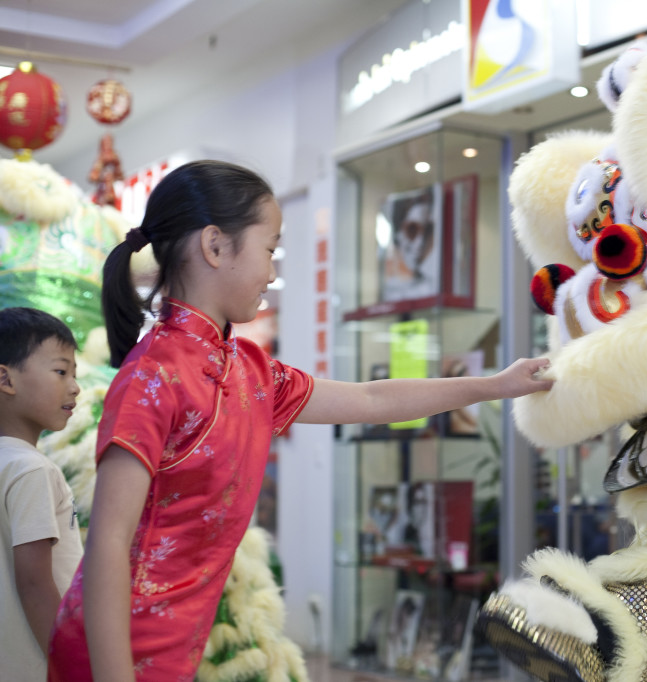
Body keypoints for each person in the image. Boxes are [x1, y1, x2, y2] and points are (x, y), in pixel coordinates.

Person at [47, 159, 553, 682]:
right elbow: (108, 541)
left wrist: (497, 385)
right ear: (215, 246)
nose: (273, 271)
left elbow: (373, 400)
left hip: (174, 654)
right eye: (269, 250)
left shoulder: (248, 369)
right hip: (113, 657)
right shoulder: (152, 376)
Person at [0, 307, 84, 681]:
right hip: (38, 665)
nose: (75, 386)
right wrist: (70, 665)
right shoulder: (32, 470)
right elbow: (35, 582)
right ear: (6, 378)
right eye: (61, 371)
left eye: (75, 374)